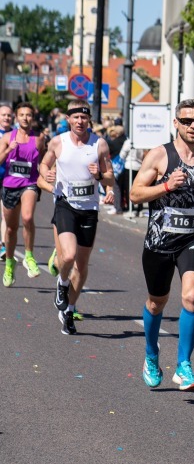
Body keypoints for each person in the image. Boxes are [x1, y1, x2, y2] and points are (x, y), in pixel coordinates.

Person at [130, 99, 194, 391]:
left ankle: (184, 365)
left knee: (191, 296)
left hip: (192, 237)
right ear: (176, 123)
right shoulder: (159, 156)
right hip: (160, 240)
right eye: (188, 121)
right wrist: (166, 186)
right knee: (156, 302)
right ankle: (151, 354)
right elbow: (135, 193)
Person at [39, 99, 115, 335]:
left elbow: (110, 176)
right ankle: (62, 284)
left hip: (89, 209)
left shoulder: (99, 144)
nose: (80, 121)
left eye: (84, 117)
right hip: (65, 204)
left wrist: (102, 177)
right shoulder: (57, 142)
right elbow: (43, 166)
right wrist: (48, 175)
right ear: (68, 119)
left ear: (89, 119)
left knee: (81, 265)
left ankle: (69, 311)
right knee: (69, 255)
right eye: (76, 117)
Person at [0, 102, 46, 287]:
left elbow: (44, 161)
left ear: (32, 118)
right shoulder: (7, 137)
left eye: (29, 115)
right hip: (10, 185)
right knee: (11, 229)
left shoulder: (39, 138)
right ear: (16, 118)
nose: (25, 118)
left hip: (30, 183)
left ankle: (28, 256)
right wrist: (9, 149)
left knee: (27, 218)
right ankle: (10, 263)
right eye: (22, 115)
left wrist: (48, 174)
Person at [0, 104, 14, 261]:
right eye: (3, 115)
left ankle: (3, 245)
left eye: (9, 115)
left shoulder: (17, 134)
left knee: (5, 213)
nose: (6, 118)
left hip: (9, 179)